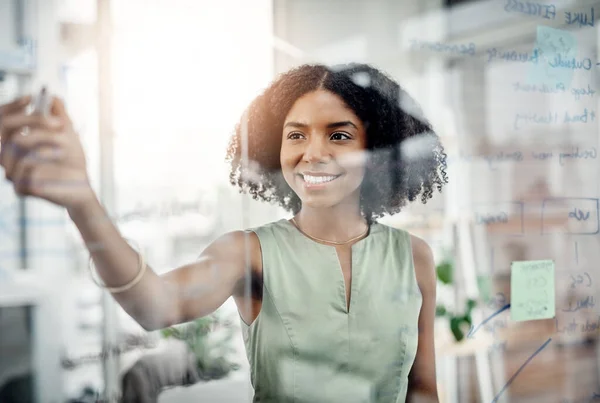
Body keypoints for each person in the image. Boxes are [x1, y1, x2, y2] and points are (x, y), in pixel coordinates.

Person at [0, 63, 447, 402]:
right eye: (296, 136)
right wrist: (83, 201)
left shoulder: (414, 258)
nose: (313, 153)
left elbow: (422, 390)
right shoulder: (248, 253)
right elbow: (154, 305)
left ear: (375, 147)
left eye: (339, 135)